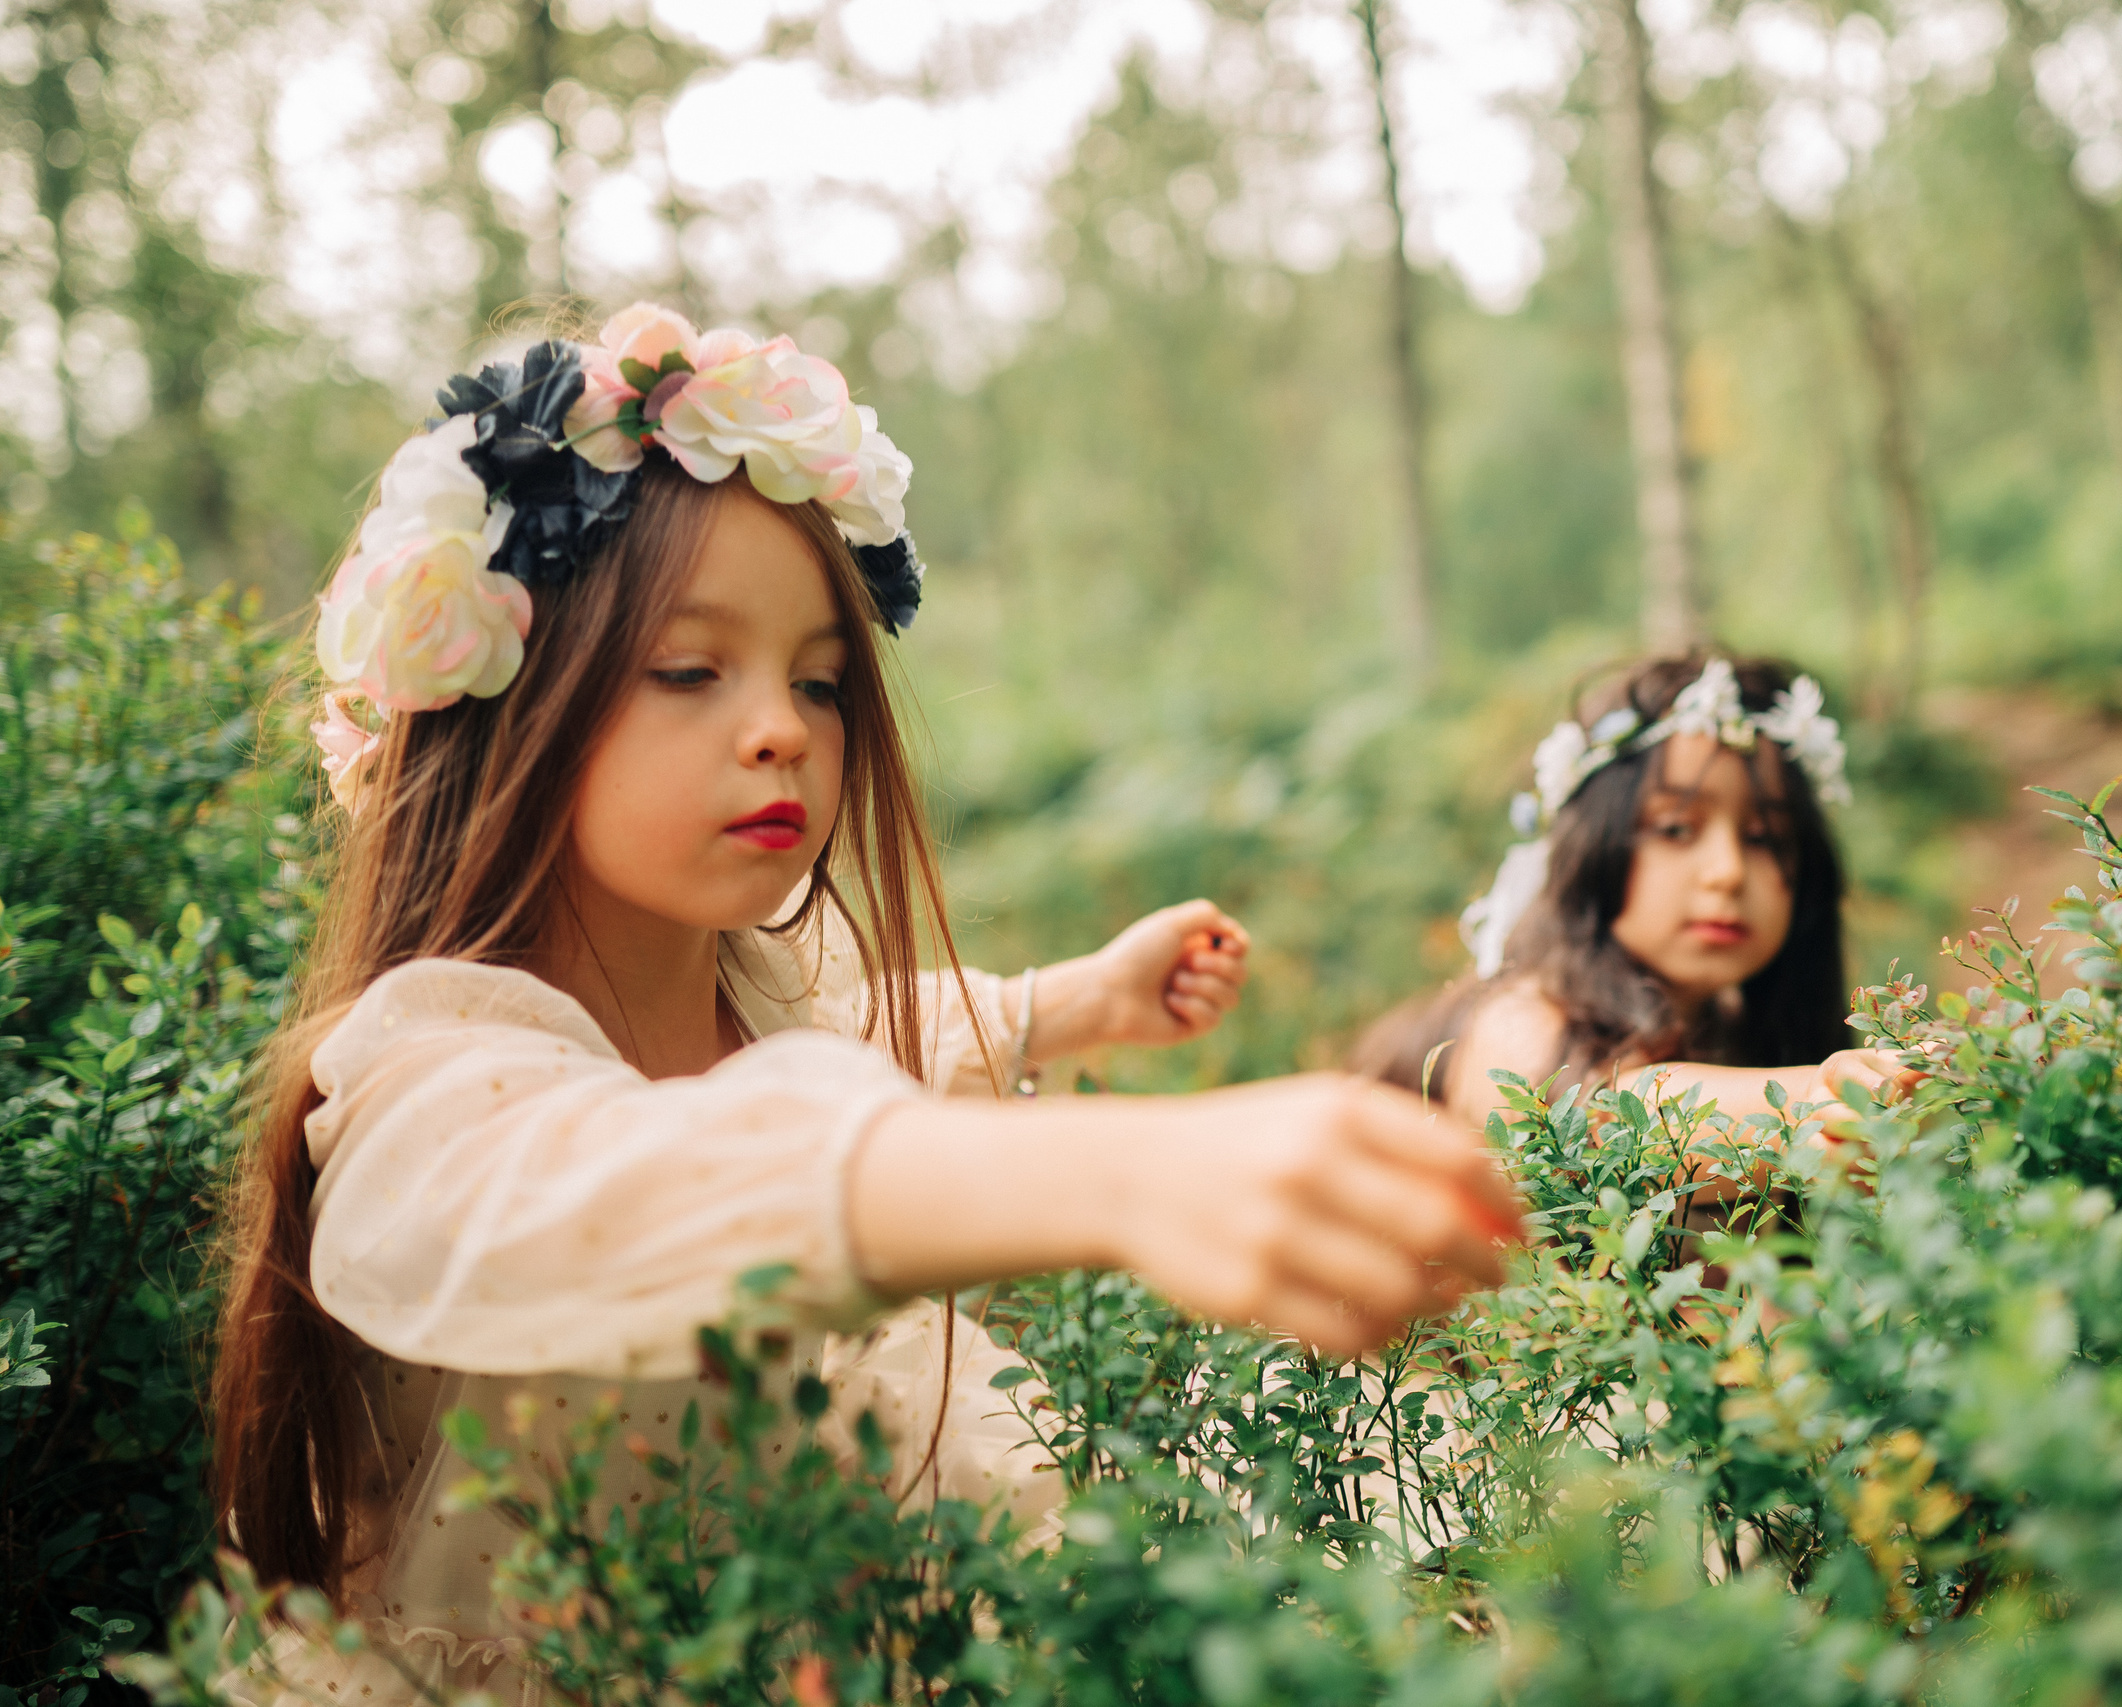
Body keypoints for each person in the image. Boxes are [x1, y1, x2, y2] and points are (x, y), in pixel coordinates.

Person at [214, 305, 1517, 1707]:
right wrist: (1121, 1168)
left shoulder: (763, 989)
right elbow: (623, 1174)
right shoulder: (428, 1067)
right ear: (508, 704)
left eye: (820, 679)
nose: (781, 725)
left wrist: (1077, 1000)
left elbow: (879, 1020)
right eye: (690, 668)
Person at [1353, 651, 1901, 1142]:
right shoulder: (1513, 1024)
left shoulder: (1750, 1036)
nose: (1728, 872)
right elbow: (1612, 1117)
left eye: (1765, 838)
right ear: (1593, 847)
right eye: (1675, 829)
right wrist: (1825, 1100)